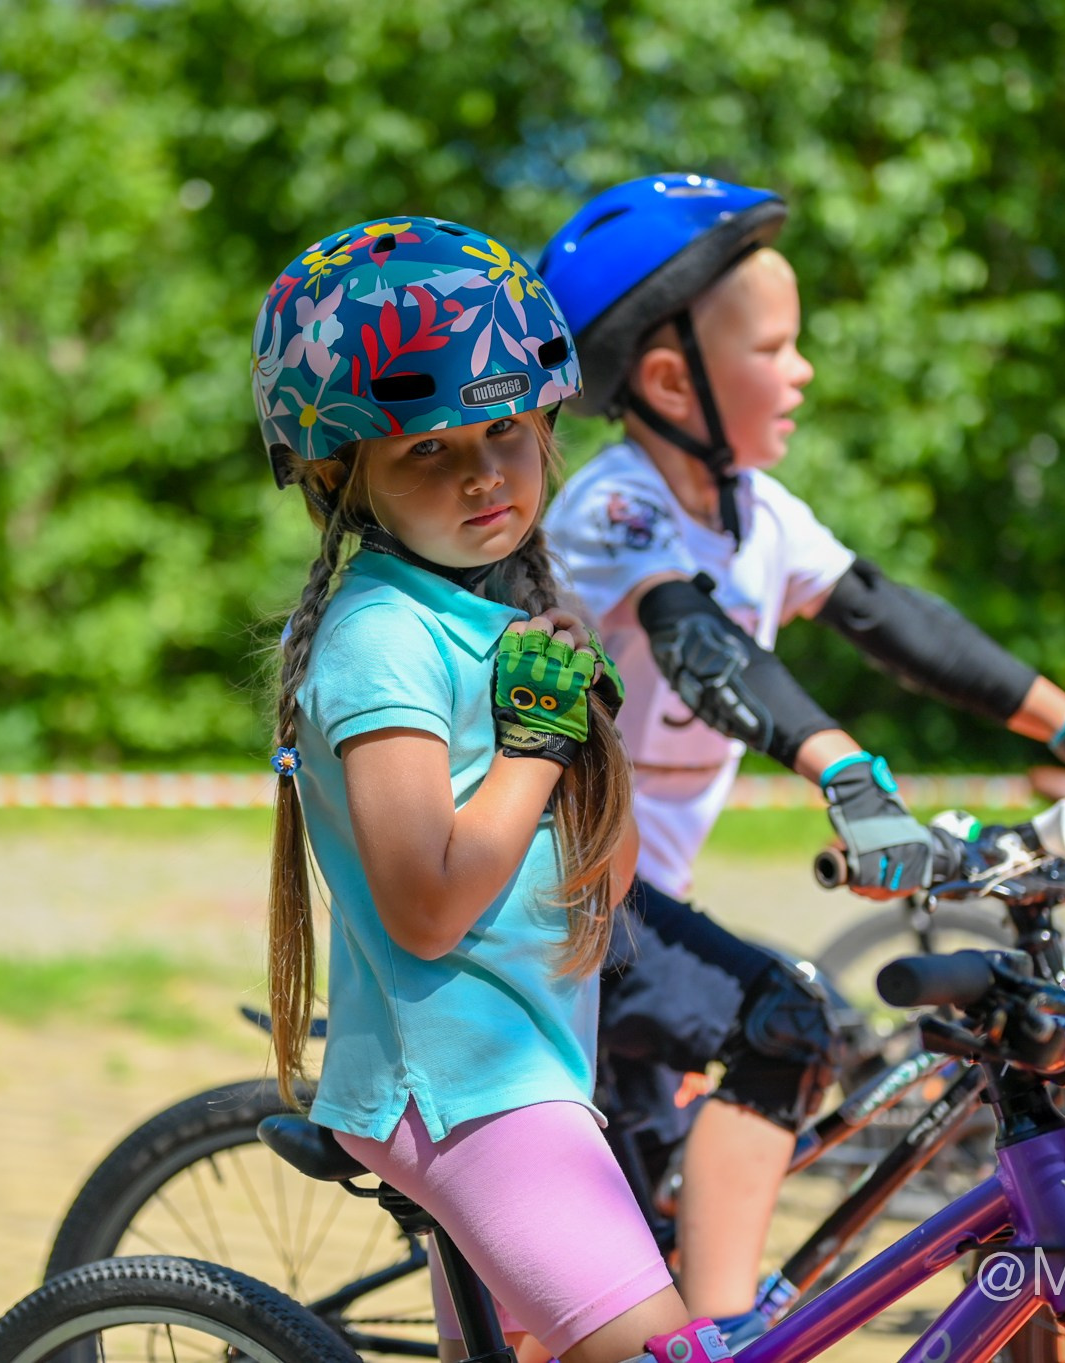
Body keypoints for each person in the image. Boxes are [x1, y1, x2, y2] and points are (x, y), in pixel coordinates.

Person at [535, 174, 1065, 1333]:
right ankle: (724, 1339)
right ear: (670, 377)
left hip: (632, 902)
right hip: (555, 897)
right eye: (775, 348)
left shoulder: (760, 513)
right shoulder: (615, 509)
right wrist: (840, 767)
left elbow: (892, 619)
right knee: (784, 1020)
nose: (803, 371)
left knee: (622, 1243)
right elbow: (696, 643)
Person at [253, 217, 725, 1363]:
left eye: (504, 431)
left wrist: (586, 732)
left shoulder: (479, 616)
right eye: (425, 449)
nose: (480, 474)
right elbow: (425, 904)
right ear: (338, 470)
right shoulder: (381, 640)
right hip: (465, 1092)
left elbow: (600, 887)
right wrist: (535, 743)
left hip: (522, 1070)